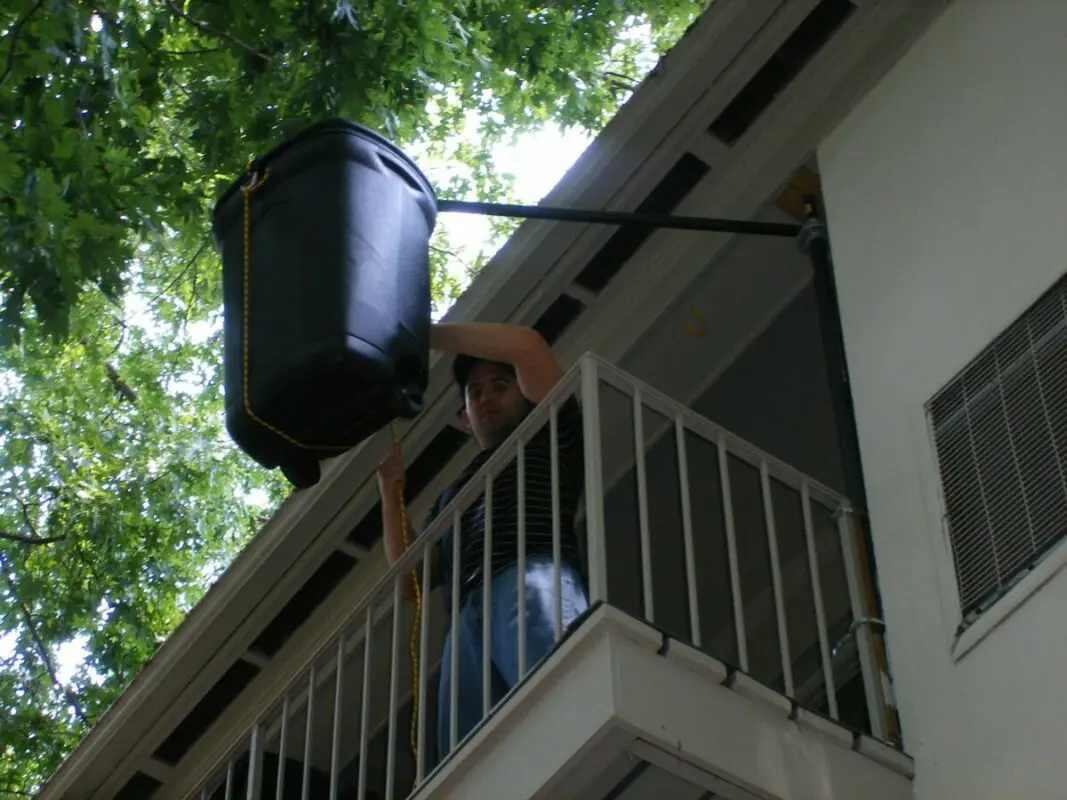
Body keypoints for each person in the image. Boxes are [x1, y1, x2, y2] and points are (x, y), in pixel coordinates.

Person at [377, 322, 589, 760]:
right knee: (469, 760)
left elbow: (528, 345)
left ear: (523, 393)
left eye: (499, 385)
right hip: (464, 619)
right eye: (474, 392)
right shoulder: (451, 497)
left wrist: (420, 333)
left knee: (559, 696)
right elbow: (410, 582)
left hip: (529, 577)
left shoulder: (550, 431)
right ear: (464, 417)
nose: (486, 397)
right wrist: (389, 495)